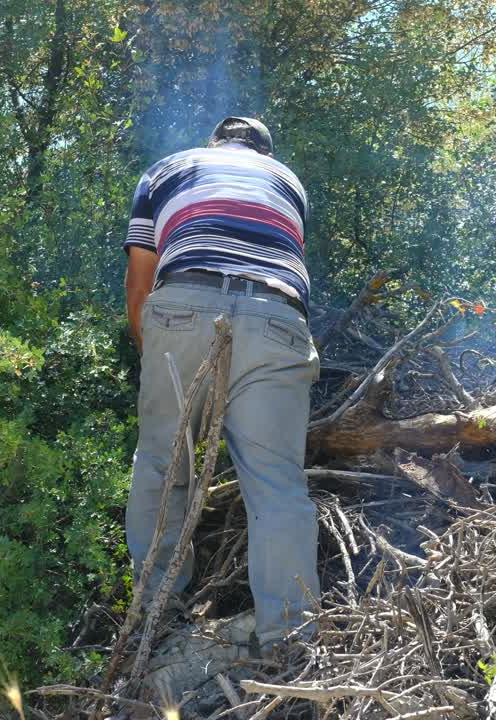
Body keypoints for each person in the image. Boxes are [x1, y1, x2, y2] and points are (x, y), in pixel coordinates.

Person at [122, 117, 320, 653]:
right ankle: (291, 643)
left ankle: (154, 625)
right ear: (265, 153)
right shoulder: (287, 183)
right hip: (276, 313)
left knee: (164, 468)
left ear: (216, 144)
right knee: (277, 486)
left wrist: (161, 356)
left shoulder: (169, 169)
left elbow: (141, 282)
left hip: (184, 303)